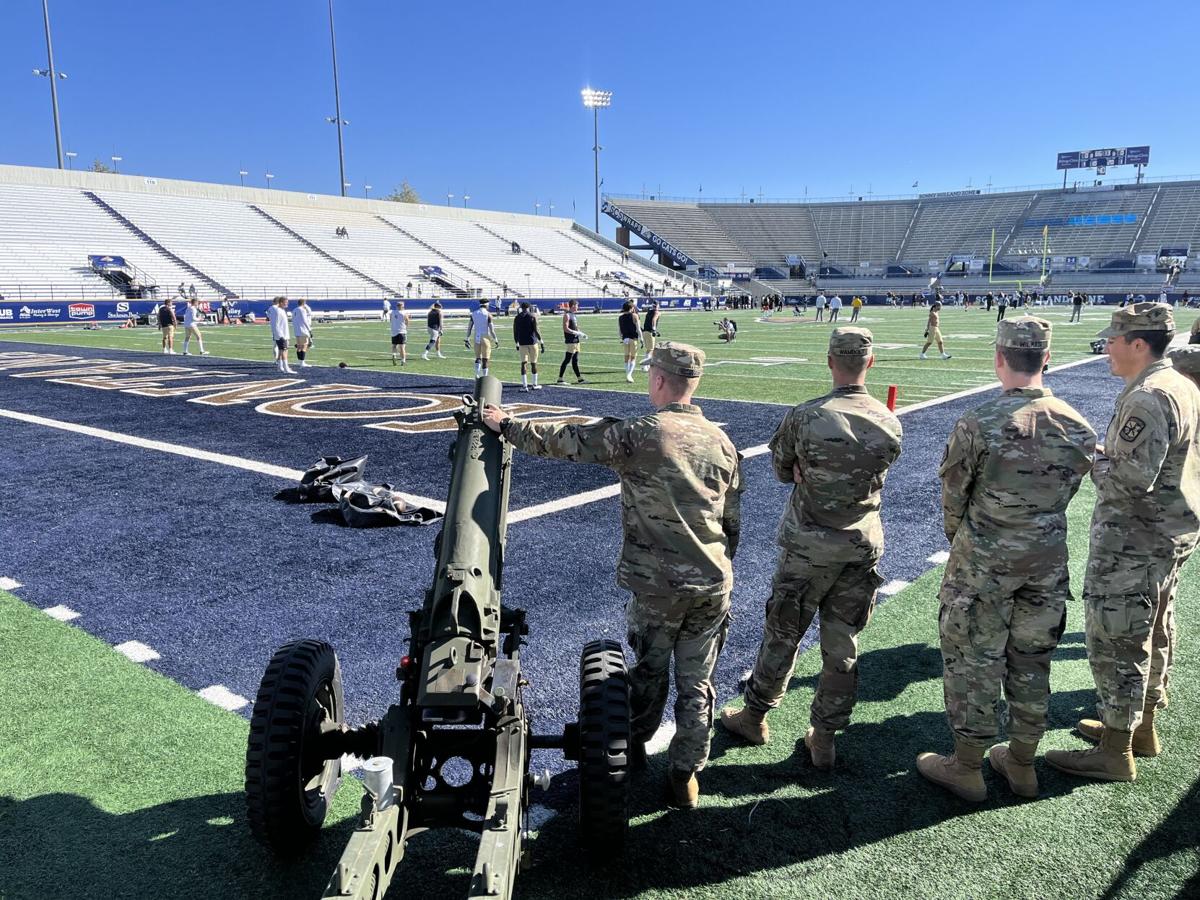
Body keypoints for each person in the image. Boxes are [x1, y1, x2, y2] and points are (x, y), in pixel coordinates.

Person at [481, 343, 743, 809]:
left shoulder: (640, 434)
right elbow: (732, 523)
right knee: (697, 683)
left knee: (647, 672)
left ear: (660, 379)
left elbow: (568, 441)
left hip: (659, 585)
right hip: (712, 583)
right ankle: (685, 777)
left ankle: (635, 746)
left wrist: (507, 426)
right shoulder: (722, 442)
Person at [916, 317, 1096, 801]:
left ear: (999, 359)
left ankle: (968, 767)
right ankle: (1021, 764)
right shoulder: (1078, 426)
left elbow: (954, 501)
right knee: (1033, 663)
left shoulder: (980, 422)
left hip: (983, 565)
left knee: (974, 661)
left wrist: (969, 542)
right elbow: (1068, 491)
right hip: (1045, 563)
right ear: (1047, 358)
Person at [721, 327, 902, 769]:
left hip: (807, 546)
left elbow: (783, 470)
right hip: (860, 546)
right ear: (870, 363)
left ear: (829, 361)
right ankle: (823, 737)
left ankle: (755, 716)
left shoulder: (805, 417)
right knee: (842, 648)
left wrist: (807, 471)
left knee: (783, 634)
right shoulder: (888, 421)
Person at [1046, 303, 1199, 782]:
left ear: (1139, 344)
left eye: (1115, 338)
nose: (1107, 345)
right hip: (1168, 532)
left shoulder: (1149, 397)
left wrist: (1090, 456)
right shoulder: (1179, 383)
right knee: (1155, 630)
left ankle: (1116, 751)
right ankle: (1141, 727)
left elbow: (1128, 479)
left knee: (1119, 641)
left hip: (1135, 540)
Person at [513, 301, 543, 392]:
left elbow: (515, 332)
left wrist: (516, 342)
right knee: (534, 363)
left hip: (522, 342)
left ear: (521, 308)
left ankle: (524, 386)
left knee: (523, 363)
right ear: (529, 307)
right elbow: (536, 330)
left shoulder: (517, 317)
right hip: (532, 342)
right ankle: (534, 384)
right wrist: (541, 341)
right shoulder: (532, 316)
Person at [465, 297, 498, 378]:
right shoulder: (488, 314)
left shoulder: (473, 314)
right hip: (485, 337)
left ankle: (476, 374)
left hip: (476, 336)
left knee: (478, 357)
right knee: (485, 358)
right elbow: (492, 330)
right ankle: (485, 376)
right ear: (486, 305)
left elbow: (469, 328)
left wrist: (467, 338)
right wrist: (496, 339)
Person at [556, 299, 587, 385]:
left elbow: (575, 327)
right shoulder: (567, 315)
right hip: (571, 340)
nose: (578, 307)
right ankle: (560, 379)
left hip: (576, 340)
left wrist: (581, 333)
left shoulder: (573, 315)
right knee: (567, 360)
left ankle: (580, 378)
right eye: (577, 305)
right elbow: (565, 328)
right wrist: (575, 332)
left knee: (575, 360)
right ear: (573, 305)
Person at [267, 296, 295, 374]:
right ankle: (286, 368)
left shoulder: (281, 310)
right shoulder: (278, 311)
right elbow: (276, 324)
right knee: (284, 351)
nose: (287, 304)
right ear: (281, 303)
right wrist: (280, 336)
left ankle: (280, 366)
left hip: (284, 333)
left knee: (281, 351)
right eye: (286, 303)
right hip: (281, 334)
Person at [619, 300, 642, 383]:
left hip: (625, 339)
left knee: (626, 357)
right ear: (632, 308)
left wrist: (621, 338)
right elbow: (638, 329)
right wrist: (642, 339)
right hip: (633, 339)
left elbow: (619, 331)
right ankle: (629, 375)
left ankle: (627, 374)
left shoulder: (620, 317)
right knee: (633, 358)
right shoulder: (635, 315)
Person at [388, 299, 409, 366]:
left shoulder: (392, 312)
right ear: (402, 306)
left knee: (394, 345)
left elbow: (391, 320)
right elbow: (407, 321)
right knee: (402, 347)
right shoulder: (404, 313)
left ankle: (394, 355)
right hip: (402, 331)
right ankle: (403, 361)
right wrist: (406, 327)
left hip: (394, 331)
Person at [640, 300, 660, 367]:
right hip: (650, 332)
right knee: (651, 350)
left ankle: (646, 365)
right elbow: (653, 320)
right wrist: (654, 329)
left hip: (645, 331)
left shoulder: (649, 312)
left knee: (649, 349)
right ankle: (645, 366)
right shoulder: (656, 312)